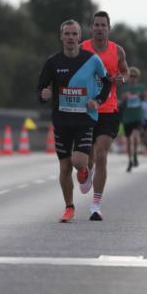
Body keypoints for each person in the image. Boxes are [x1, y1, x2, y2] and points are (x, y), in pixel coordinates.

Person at [37, 19, 111, 222]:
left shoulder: (92, 59)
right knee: (64, 167)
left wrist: (97, 100)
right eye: (67, 34)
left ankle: (86, 169)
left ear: (80, 37)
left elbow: (106, 84)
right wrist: (43, 95)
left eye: (74, 34)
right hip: (61, 120)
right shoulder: (53, 62)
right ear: (61, 37)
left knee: (78, 161)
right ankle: (69, 207)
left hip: (84, 119)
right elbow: (41, 88)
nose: (70, 38)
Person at [78, 10, 129, 221]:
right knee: (87, 157)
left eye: (103, 25)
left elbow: (124, 71)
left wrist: (121, 79)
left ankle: (96, 205)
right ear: (92, 28)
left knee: (101, 154)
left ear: (109, 28)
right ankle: (86, 172)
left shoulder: (117, 51)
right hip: (86, 109)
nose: (100, 29)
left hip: (108, 110)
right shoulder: (83, 48)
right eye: (96, 25)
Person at [119, 67, 145, 172]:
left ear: (138, 78)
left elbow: (146, 98)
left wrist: (141, 96)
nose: (133, 78)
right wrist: (123, 98)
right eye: (131, 76)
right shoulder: (124, 89)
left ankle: (135, 155)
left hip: (137, 117)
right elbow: (119, 103)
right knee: (129, 140)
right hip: (127, 118)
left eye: (135, 76)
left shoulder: (141, 88)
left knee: (135, 135)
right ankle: (130, 160)